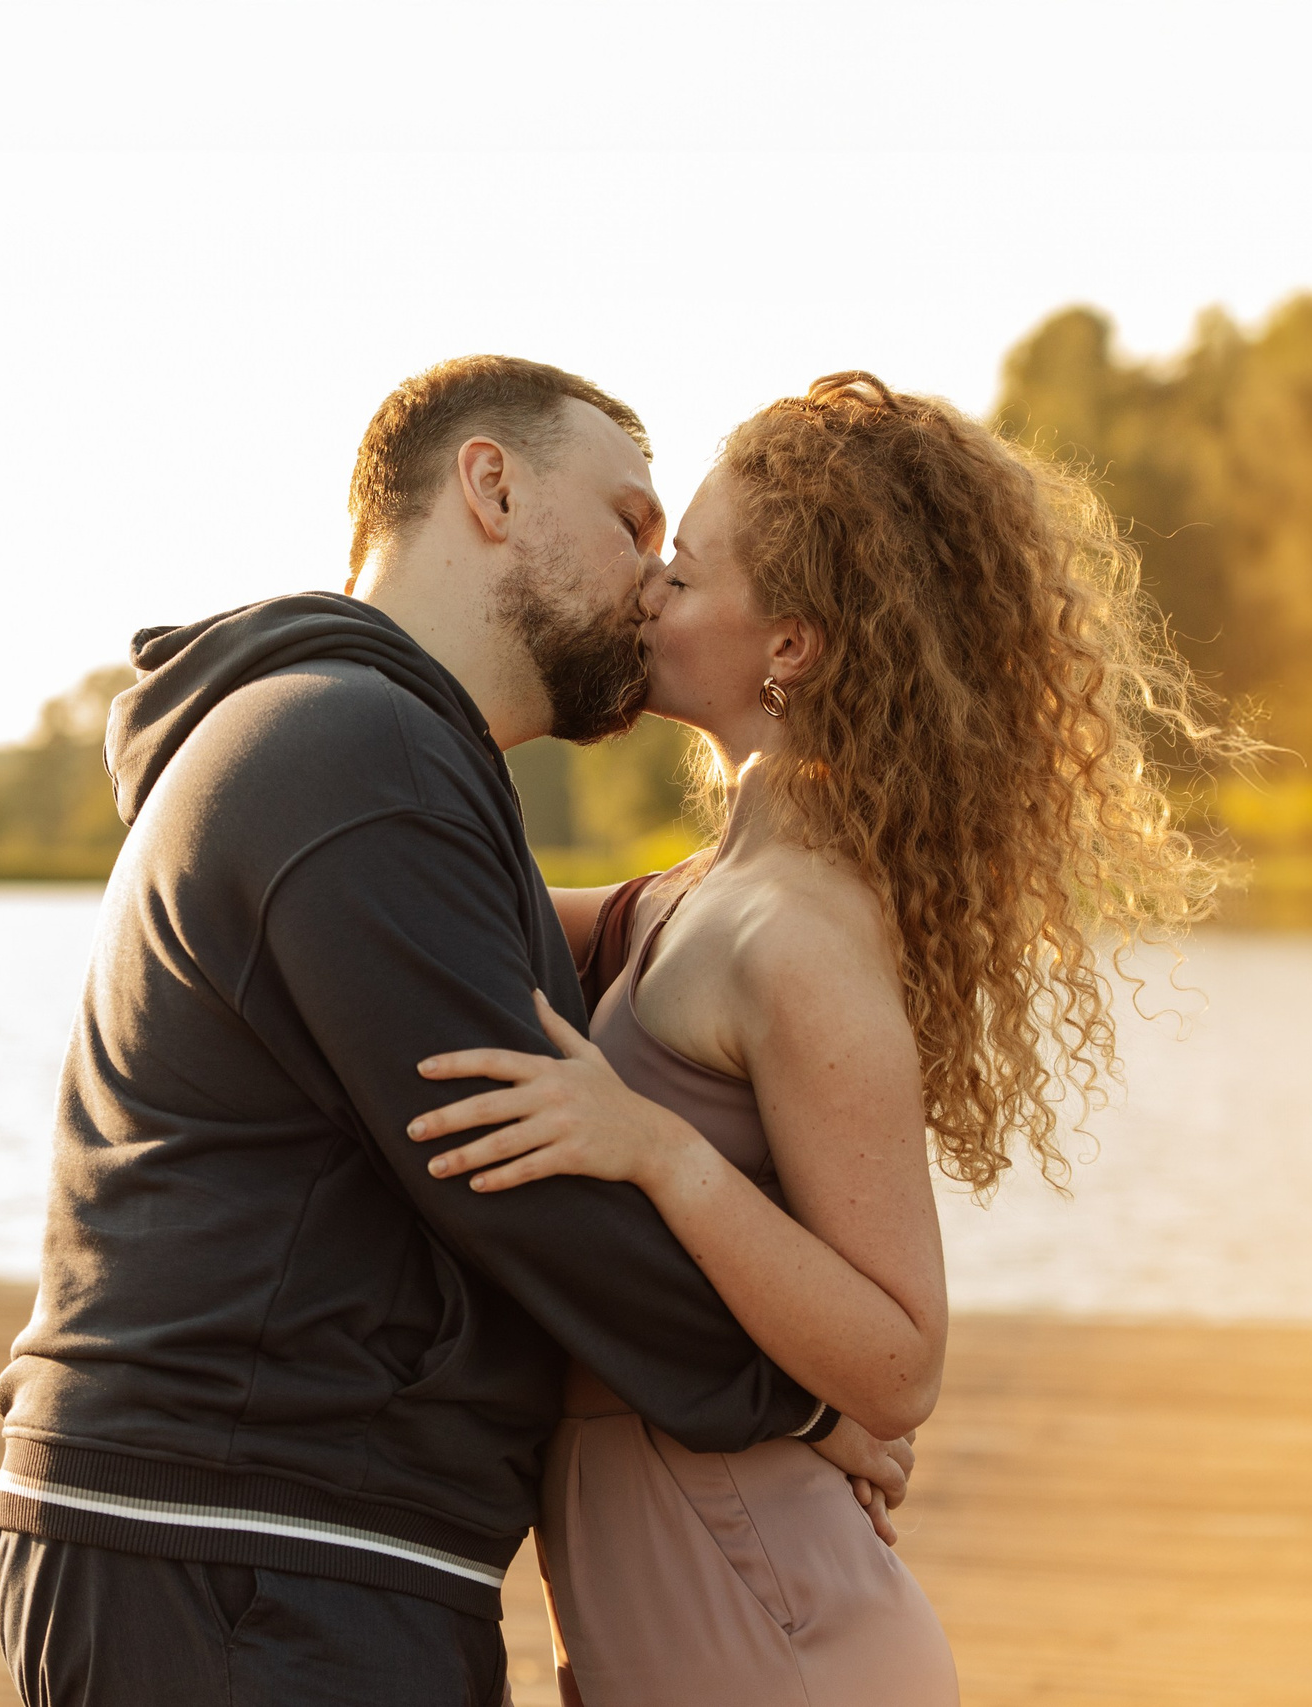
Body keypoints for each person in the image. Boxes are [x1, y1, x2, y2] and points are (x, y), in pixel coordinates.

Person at [0, 357, 911, 1707]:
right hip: (252, 1543)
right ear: (491, 486)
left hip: (271, 1538)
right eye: (631, 524)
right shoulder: (358, 754)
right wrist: (802, 1397)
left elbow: (578, 976)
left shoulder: (359, 753)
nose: (653, 576)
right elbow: (521, 1183)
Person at [408, 372, 1242, 1705]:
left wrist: (659, 1155)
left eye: (682, 571)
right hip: (677, 1598)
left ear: (788, 647)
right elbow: (431, 897)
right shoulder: (694, 898)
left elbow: (900, 1359)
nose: (647, 591)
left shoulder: (796, 935)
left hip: (764, 1622)